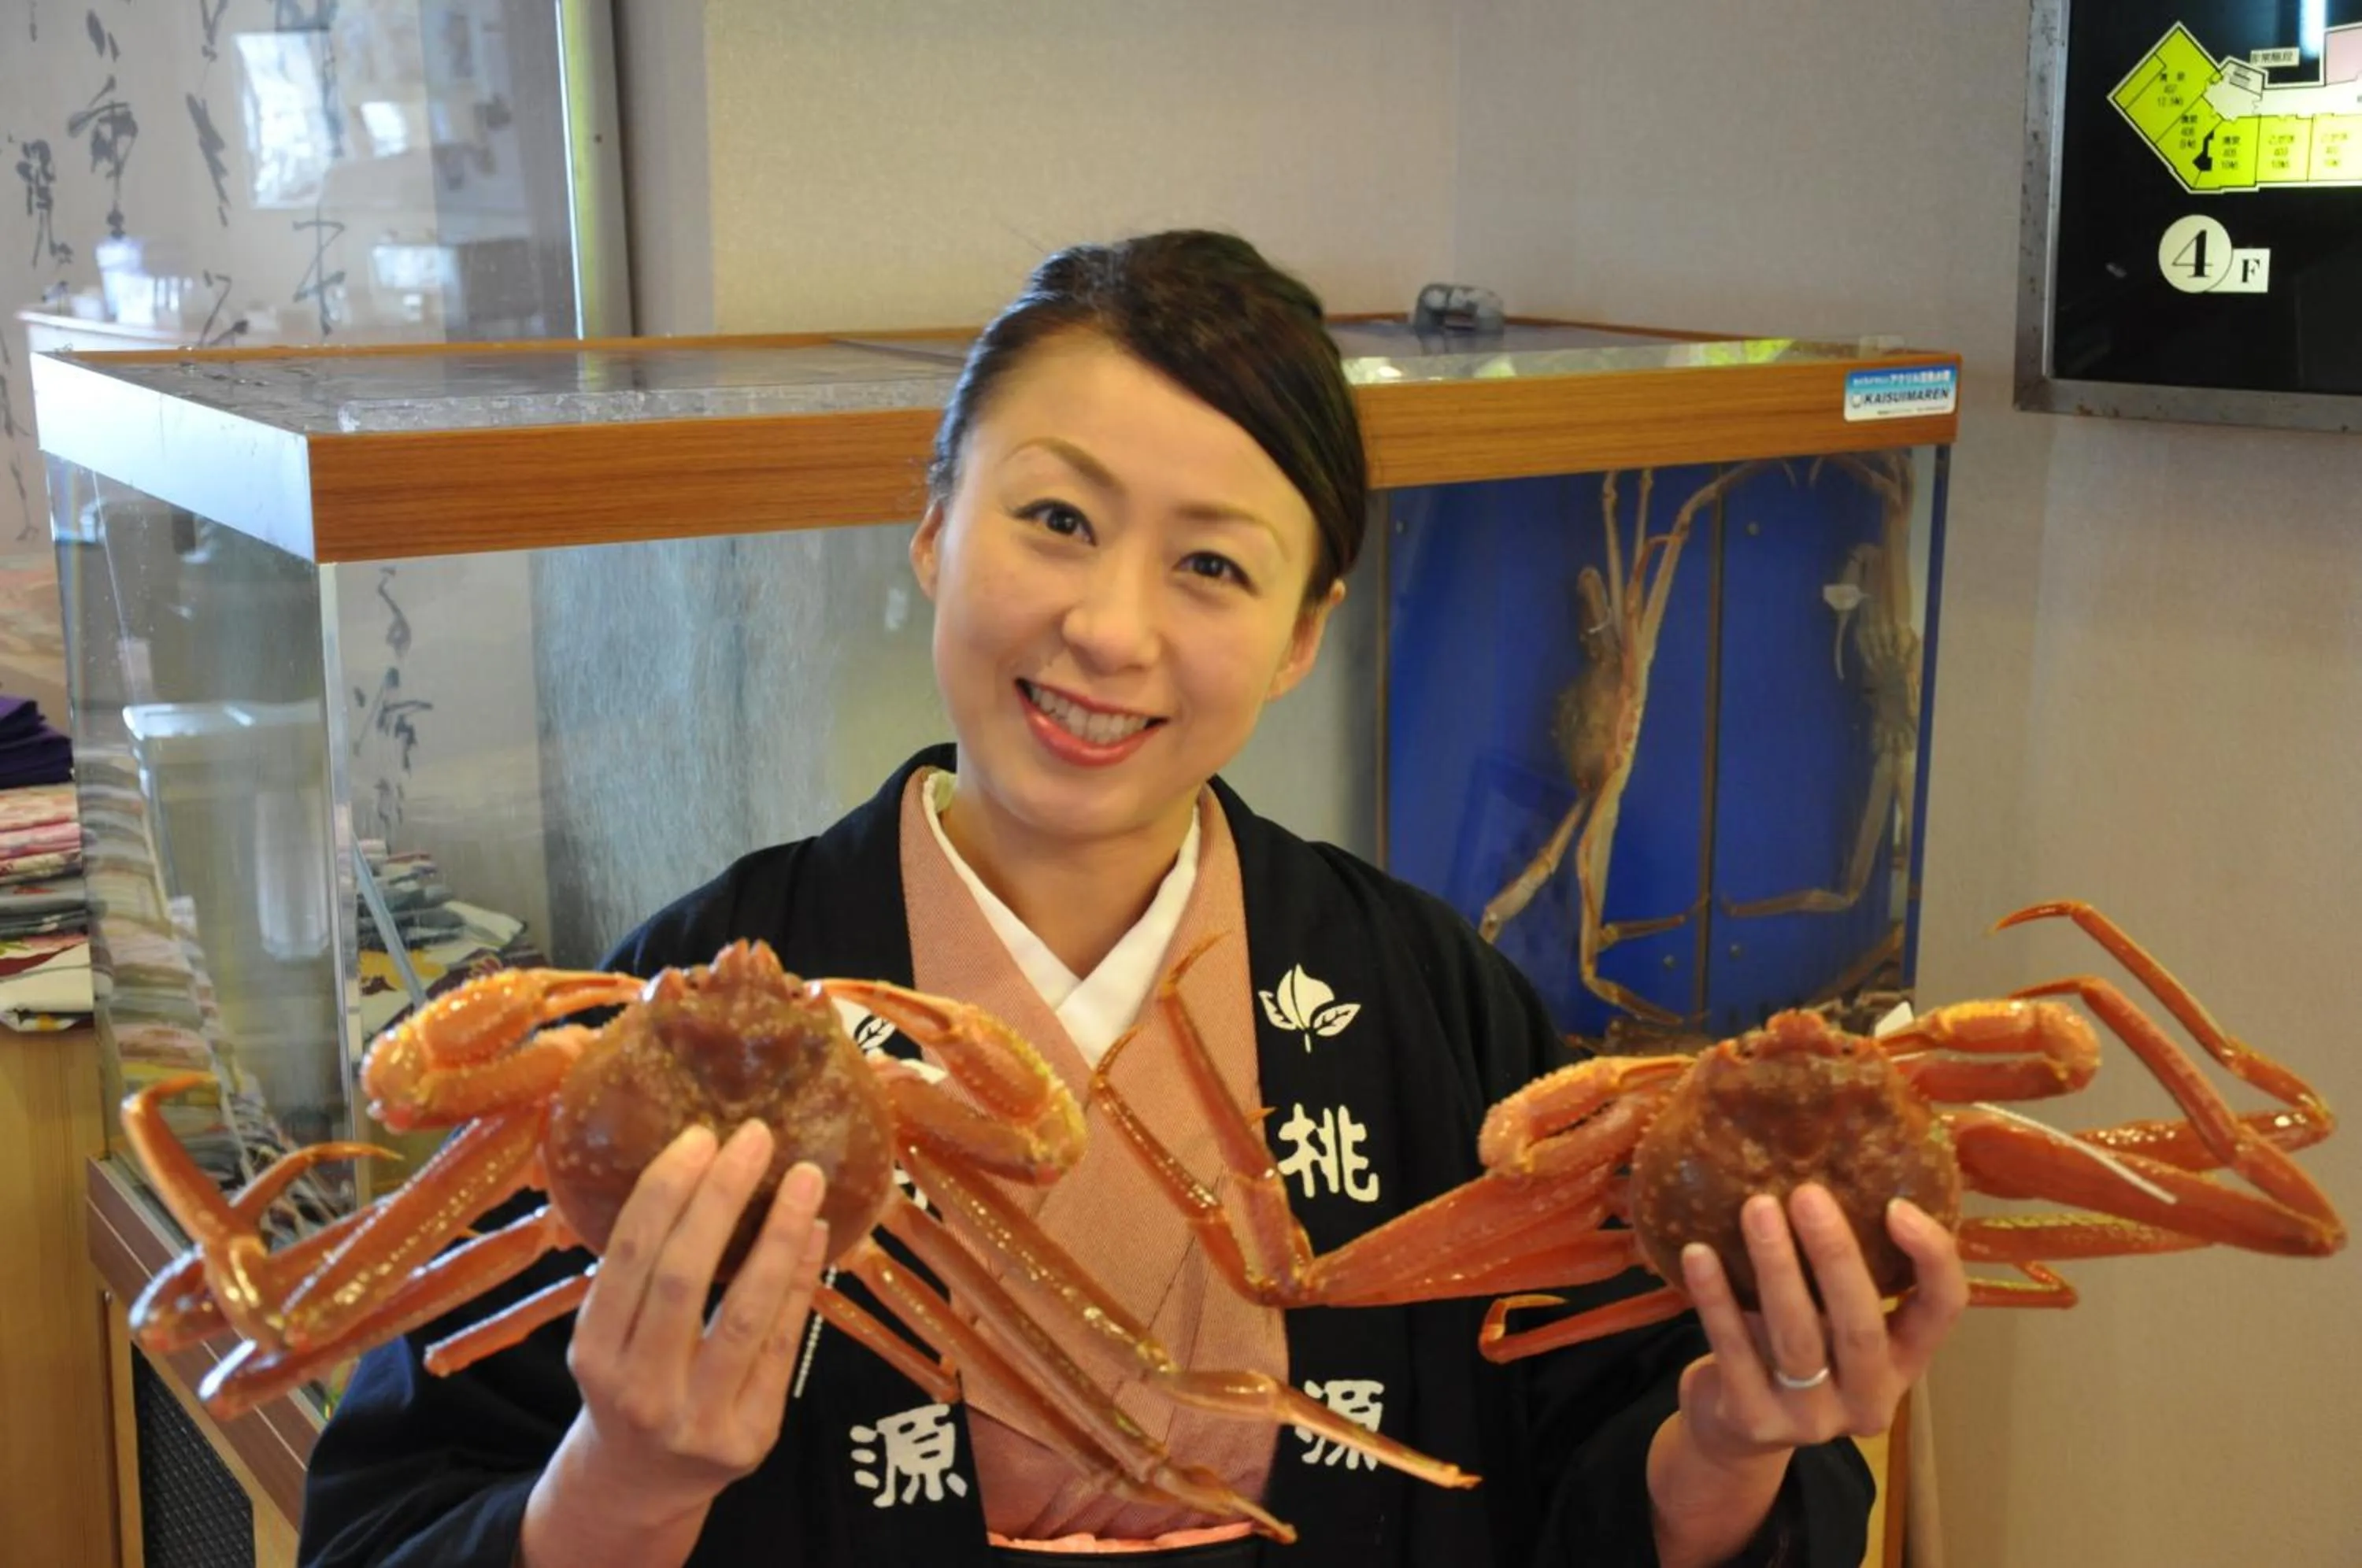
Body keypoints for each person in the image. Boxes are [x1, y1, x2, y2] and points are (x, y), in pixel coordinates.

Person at [298, 230, 1966, 1568]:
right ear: (933, 527)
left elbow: (1600, 1477)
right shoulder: (687, 1016)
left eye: (1213, 565)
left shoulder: (1427, 1001)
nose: (1111, 627)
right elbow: (386, 1515)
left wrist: (1734, 1443)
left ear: (1305, 633)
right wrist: (627, 1484)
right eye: (1055, 520)